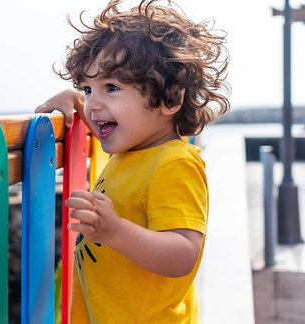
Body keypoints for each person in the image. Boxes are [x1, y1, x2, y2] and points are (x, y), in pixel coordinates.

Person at [35, 0, 230, 322]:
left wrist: (114, 231)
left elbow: (183, 253)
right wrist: (73, 101)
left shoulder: (173, 164)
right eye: (87, 89)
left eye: (111, 87)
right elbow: (106, 117)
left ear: (170, 99)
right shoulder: (133, 148)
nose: (93, 105)